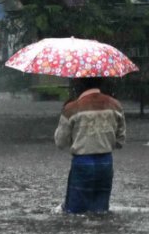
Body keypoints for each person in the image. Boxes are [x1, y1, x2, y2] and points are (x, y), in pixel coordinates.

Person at [54, 77, 126, 214]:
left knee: (75, 214)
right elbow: (120, 141)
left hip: (82, 164)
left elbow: (60, 142)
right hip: (105, 163)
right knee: (100, 212)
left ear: (78, 84)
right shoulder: (115, 105)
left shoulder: (72, 108)